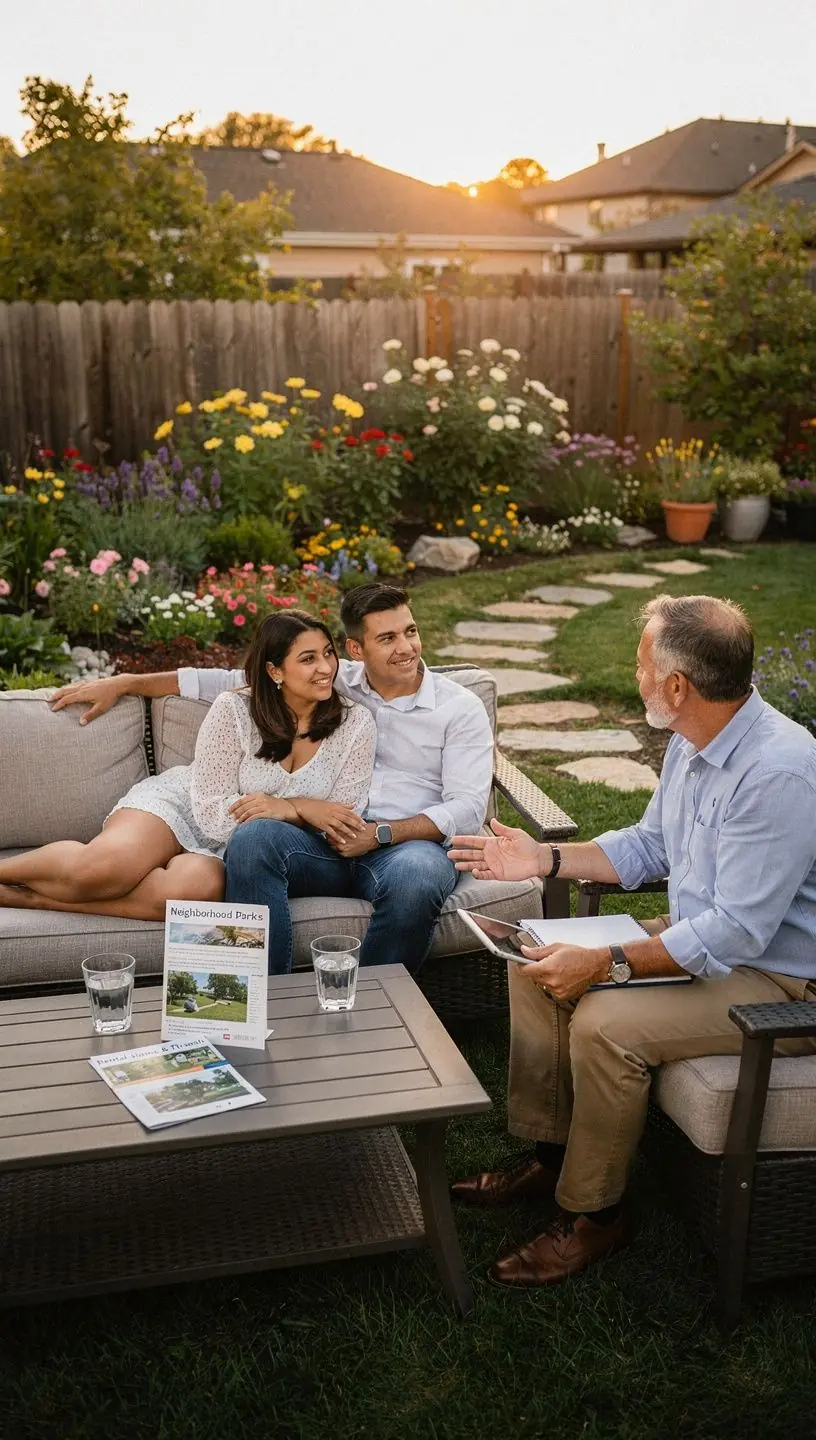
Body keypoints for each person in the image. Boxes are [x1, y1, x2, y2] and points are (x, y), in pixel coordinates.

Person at [448, 593, 816, 1289]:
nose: (635, 673)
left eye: (643, 663)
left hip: (781, 979)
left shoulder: (779, 773)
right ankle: (553, 1156)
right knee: (534, 957)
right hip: (708, 942)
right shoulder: (694, 739)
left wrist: (610, 963)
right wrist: (542, 860)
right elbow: (650, 846)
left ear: (678, 686)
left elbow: (737, 930)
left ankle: (596, 1215)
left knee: (607, 1022)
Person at [48, 583, 495, 973]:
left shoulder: (458, 709)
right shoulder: (337, 681)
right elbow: (230, 681)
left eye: (410, 631)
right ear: (357, 649)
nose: (407, 648)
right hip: (319, 842)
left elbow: (468, 808)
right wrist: (126, 682)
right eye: (388, 638)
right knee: (254, 837)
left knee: (418, 877)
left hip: (401, 847)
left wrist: (379, 834)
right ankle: (263, 1003)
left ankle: (366, 1011)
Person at [0, 611, 376, 937]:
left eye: (329, 653)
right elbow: (211, 808)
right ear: (275, 670)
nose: (326, 668)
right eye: (308, 658)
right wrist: (300, 807)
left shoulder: (354, 723)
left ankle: (33, 898)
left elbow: (340, 821)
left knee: (194, 889)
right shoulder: (234, 708)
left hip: (243, 848)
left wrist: (288, 807)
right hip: (187, 803)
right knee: (101, 869)